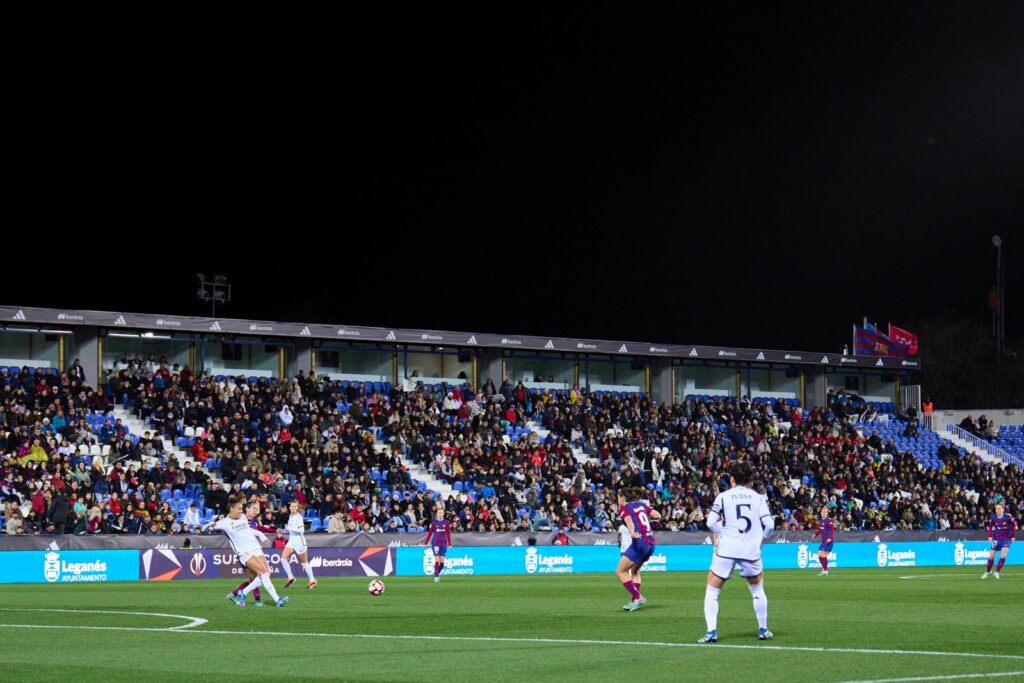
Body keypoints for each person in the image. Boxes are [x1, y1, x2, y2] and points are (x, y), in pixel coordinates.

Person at [699, 461, 775, 644]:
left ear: (732, 479)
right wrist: (761, 540)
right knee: (757, 590)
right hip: (750, 549)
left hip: (727, 548)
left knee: (712, 590)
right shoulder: (758, 498)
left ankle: (711, 632)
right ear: (750, 480)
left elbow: (710, 523)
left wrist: (722, 532)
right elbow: (770, 525)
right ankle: (763, 629)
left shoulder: (724, 497)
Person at [208, 495, 288, 607]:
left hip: (255, 548)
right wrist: (211, 524)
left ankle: (243, 592)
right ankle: (276, 600)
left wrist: (261, 535)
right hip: (244, 552)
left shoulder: (242, 517)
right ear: (232, 509)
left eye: (242, 508)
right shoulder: (224, 523)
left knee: (266, 574)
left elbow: (249, 530)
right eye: (239, 508)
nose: (241, 511)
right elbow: (208, 528)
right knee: (261, 574)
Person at [616, 486, 660, 612]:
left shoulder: (624, 508)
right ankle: (635, 601)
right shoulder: (641, 505)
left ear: (622, 498)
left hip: (640, 542)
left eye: (618, 497)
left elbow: (629, 520)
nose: (617, 499)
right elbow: (657, 515)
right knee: (634, 571)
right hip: (651, 543)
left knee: (620, 571)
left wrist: (632, 532)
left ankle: (637, 597)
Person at [279, 501, 317, 589]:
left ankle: (312, 580)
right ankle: (291, 577)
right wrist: (284, 531)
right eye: (291, 506)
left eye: (294, 506)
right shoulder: (290, 516)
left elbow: (301, 530)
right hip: (291, 541)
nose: (292, 508)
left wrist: (289, 528)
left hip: (299, 542)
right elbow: (291, 530)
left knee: (304, 563)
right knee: (283, 559)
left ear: (297, 508)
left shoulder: (299, 517)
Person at [982, 502, 1016, 580]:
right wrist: (990, 536)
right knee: (991, 556)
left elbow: (1013, 525)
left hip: (1006, 538)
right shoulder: (993, 518)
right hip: (996, 539)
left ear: (1003, 510)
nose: (997, 510)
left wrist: (1013, 536)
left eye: (999, 509)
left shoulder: (1008, 517)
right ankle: (988, 571)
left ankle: (997, 572)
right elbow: (990, 526)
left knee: (1004, 555)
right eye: (996, 509)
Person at [424, 506, 452, 583]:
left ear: (443, 514)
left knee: (442, 563)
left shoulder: (446, 523)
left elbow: (448, 534)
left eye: (441, 513)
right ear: (437, 514)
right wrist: (425, 543)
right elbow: (429, 533)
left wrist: (449, 544)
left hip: (443, 544)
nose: (440, 514)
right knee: (437, 560)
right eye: (438, 513)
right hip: (435, 544)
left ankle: (437, 574)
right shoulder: (433, 523)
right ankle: (436, 577)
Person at [813, 505, 835, 576]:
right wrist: (815, 534)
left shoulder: (829, 520)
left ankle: (825, 571)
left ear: (827, 513)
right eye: (823, 512)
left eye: (825, 512)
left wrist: (830, 538)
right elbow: (820, 529)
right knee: (819, 555)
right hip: (823, 541)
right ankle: (824, 569)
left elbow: (832, 530)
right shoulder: (821, 520)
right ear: (821, 513)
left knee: (823, 555)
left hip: (829, 541)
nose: (824, 513)